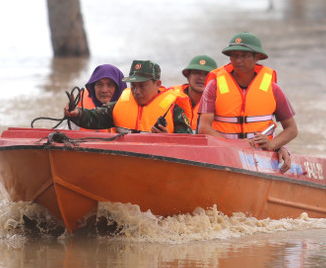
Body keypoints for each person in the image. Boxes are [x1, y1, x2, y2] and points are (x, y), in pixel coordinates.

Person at [197, 32, 297, 172]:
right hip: (223, 153)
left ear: (257, 57)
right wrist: (234, 146)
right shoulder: (214, 86)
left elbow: (292, 129)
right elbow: (203, 128)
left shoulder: (272, 88)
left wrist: (273, 145)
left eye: (244, 56)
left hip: (261, 155)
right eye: (234, 56)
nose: (238, 60)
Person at [64, 59, 194, 134]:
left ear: (157, 84)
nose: (136, 91)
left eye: (142, 86)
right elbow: (95, 117)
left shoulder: (174, 110)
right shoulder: (120, 105)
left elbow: (188, 146)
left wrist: (168, 139)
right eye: (133, 85)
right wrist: (77, 113)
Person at [172, 54, 218, 131]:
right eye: (197, 72)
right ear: (188, 76)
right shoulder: (171, 97)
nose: (201, 78)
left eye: (207, 74)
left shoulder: (220, 102)